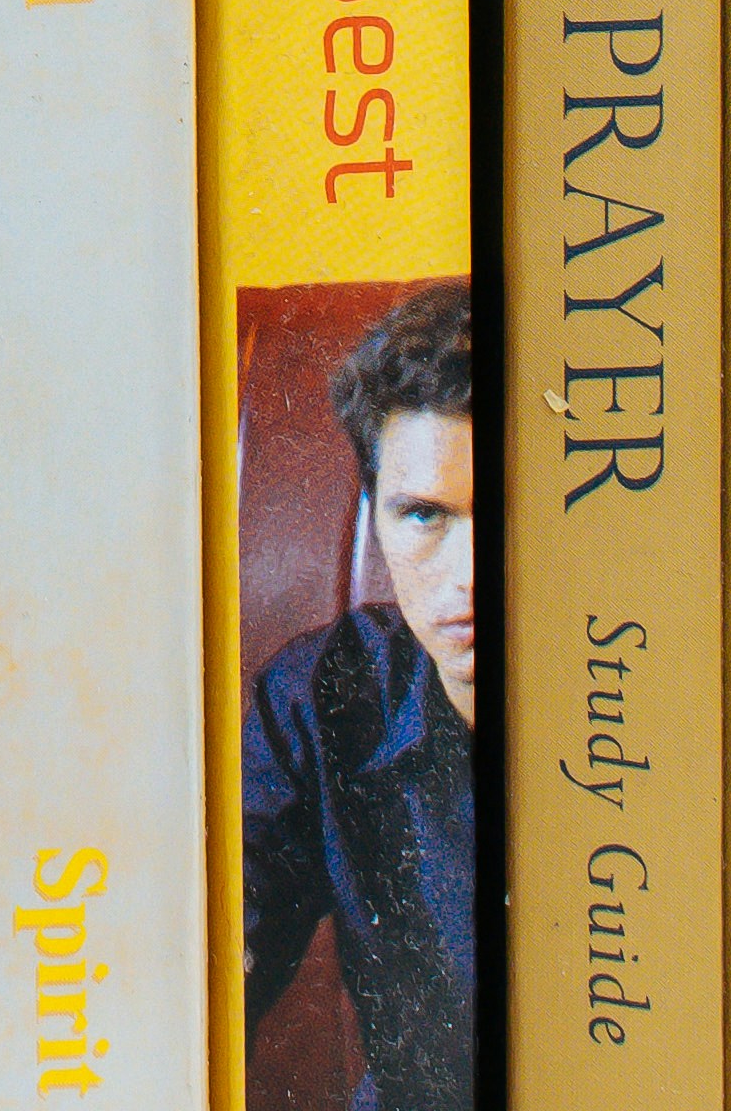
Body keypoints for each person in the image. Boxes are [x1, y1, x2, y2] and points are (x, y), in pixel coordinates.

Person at [242, 276, 482, 1111]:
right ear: (375, 514)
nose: (470, 577)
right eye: (425, 516)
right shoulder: (324, 696)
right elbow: (203, 950)